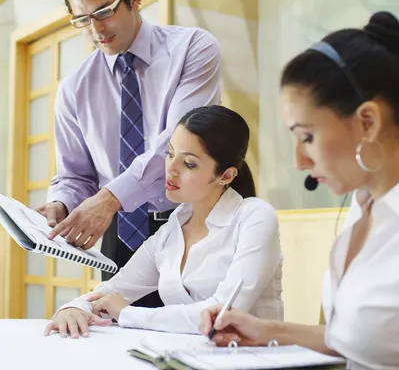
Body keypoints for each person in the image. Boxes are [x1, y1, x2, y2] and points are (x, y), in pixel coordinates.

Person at [200, 12, 399, 370]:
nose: (297, 159)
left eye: (306, 136)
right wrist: (267, 331)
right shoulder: (363, 209)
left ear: (367, 122)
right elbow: (368, 339)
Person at [37, 0, 221, 309]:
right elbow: (76, 175)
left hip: (192, 226)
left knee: (192, 338)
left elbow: (178, 147)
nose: (96, 30)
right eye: (83, 20)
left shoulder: (193, 49)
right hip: (120, 236)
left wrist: (107, 199)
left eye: (104, 12)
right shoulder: (74, 89)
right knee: (119, 343)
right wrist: (61, 203)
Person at [44, 105, 283, 338]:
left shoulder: (255, 217)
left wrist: (128, 314)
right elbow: (115, 288)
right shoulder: (171, 230)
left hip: (255, 364)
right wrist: (75, 308)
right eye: (170, 154)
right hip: (188, 361)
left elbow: (223, 314)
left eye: (189, 163)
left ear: (226, 175)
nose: (171, 169)